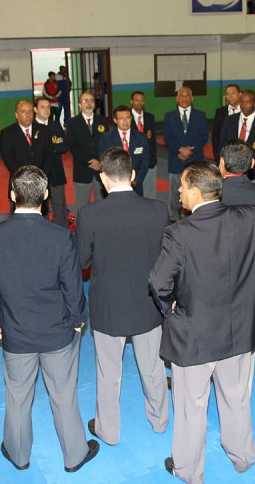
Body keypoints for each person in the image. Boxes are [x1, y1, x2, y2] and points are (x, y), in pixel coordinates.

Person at [149, 160, 255, 484]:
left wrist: (170, 309)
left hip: (194, 335)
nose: (178, 190)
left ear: (195, 190)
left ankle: (188, 470)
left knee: (191, 406)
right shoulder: (250, 217)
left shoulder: (179, 233)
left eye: (182, 185)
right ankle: (242, 457)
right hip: (239, 329)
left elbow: (159, 282)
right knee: (236, 398)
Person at [0, 166, 99, 473]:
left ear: (11, 195)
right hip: (58, 331)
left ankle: (18, 454)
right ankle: (75, 455)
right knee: (64, 395)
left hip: (16, 331)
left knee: (18, 396)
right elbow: (73, 286)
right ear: (46, 196)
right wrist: (77, 319)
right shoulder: (60, 236)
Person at [76, 148, 169, 446]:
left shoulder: (89, 214)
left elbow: (81, 261)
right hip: (148, 303)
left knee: (108, 373)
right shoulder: (158, 210)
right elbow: (166, 258)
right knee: (153, 368)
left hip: (108, 304)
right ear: (133, 175)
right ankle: (159, 421)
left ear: (103, 178)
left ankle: (109, 431)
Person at [163, 86, 208, 222]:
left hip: (195, 159)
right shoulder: (169, 116)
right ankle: (174, 218)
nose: (184, 98)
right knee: (175, 192)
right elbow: (167, 137)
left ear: (192, 98)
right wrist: (179, 149)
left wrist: (189, 151)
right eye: (181, 95)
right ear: (177, 98)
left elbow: (203, 137)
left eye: (187, 95)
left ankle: (194, 218)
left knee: (194, 190)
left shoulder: (200, 115)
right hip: (176, 159)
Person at [0, 100, 53, 210]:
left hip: (41, 182)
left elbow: (49, 155)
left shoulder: (44, 130)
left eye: (30, 111)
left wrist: (40, 176)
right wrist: (24, 178)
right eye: (23, 111)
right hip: (19, 183)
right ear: (16, 115)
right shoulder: (8, 133)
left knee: (42, 215)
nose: (28, 114)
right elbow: (8, 158)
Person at [219, 89, 255, 184]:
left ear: (254, 103)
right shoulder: (230, 120)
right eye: (242, 102)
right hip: (231, 174)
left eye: (248, 102)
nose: (244, 105)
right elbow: (222, 145)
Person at [67, 91, 108, 210]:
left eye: (91, 101)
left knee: (102, 207)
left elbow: (107, 144)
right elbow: (72, 146)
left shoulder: (103, 121)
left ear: (95, 104)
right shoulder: (72, 123)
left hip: (101, 170)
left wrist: (100, 162)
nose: (89, 103)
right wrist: (90, 162)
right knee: (82, 208)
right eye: (85, 101)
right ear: (79, 105)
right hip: (82, 170)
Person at [34, 96, 69, 227]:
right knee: (41, 207)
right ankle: (43, 232)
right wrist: (54, 145)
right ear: (35, 109)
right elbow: (34, 150)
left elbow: (64, 146)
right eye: (42, 107)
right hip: (39, 172)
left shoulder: (55, 125)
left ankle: (62, 232)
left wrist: (48, 147)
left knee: (59, 206)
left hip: (56, 172)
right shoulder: (32, 127)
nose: (46, 110)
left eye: (48, 107)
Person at [99, 105, 149, 195]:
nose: (125, 121)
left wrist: (136, 180)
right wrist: (115, 182)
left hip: (136, 185)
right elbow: (104, 162)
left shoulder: (141, 137)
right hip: (114, 185)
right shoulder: (107, 138)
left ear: (131, 119)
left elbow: (145, 162)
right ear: (115, 120)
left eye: (128, 118)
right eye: (121, 118)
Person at [131, 91, 158, 199]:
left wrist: (153, 159)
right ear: (132, 102)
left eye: (142, 100)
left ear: (144, 102)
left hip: (149, 162)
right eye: (137, 100)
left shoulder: (150, 117)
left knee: (150, 195)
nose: (139, 102)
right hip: (133, 164)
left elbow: (153, 141)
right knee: (134, 197)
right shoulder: (126, 118)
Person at [211, 84, 241, 162]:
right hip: (224, 155)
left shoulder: (245, 112)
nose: (230, 96)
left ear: (240, 94)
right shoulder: (220, 112)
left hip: (242, 154)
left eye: (233, 93)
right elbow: (215, 135)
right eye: (227, 94)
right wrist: (217, 154)